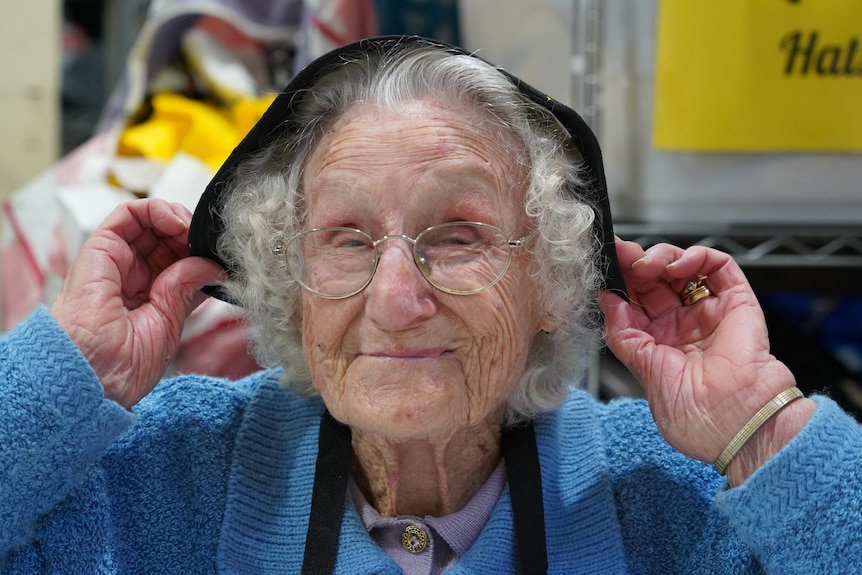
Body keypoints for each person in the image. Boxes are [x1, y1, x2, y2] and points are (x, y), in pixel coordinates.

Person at [1, 35, 860, 574]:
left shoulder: (674, 493)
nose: (398, 299)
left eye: (457, 235)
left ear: (551, 281)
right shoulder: (161, 470)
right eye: (344, 238)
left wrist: (762, 423)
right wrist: (70, 377)